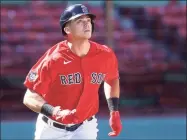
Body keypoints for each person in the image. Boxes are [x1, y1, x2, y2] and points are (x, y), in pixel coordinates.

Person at [23, 4, 122, 140]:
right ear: (67, 29)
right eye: (79, 21)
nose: (86, 24)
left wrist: (114, 111)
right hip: (52, 129)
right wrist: (55, 112)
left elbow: (112, 79)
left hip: (86, 127)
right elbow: (29, 97)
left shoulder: (105, 55)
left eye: (88, 20)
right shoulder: (54, 59)